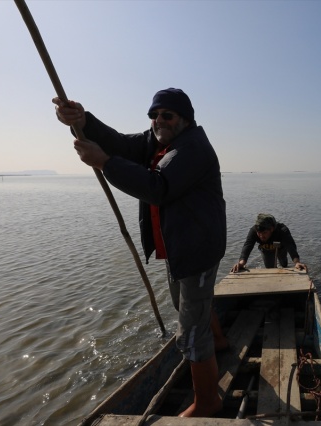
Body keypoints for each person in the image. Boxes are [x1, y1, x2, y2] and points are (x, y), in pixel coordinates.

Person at [53, 88, 226, 418]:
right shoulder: (158, 141)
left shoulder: (192, 148)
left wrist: (104, 163)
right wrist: (83, 120)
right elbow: (121, 143)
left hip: (197, 248)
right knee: (188, 304)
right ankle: (216, 340)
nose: (158, 121)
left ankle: (209, 402)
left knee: (190, 328)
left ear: (185, 120)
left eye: (167, 115)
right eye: (153, 115)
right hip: (180, 247)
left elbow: (157, 187)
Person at [230, 213, 307, 272]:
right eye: (259, 233)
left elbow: (291, 246)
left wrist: (297, 262)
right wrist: (241, 263)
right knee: (269, 268)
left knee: (284, 264)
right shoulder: (253, 231)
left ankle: (283, 264)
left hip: (281, 248)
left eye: (264, 233)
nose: (261, 236)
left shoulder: (282, 230)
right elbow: (247, 246)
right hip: (266, 249)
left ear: (272, 229)